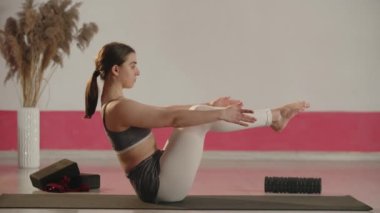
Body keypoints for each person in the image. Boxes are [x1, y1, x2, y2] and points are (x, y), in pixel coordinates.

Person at [84, 42, 310, 203]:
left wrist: (209, 104)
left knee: (199, 113)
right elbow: (171, 118)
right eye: (132, 65)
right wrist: (219, 113)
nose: (138, 71)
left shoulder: (115, 106)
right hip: (157, 186)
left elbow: (168, 111)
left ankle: (275, 117)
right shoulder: (118, 108)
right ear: (116, 69)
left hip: (156, 176)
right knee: (201, 116)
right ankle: (274, 117)